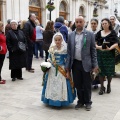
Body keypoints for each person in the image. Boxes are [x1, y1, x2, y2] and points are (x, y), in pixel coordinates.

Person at [65, 16, 98, 111]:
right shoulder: (71, 35)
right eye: (77, 22)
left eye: (80, 22)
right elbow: (69, 52)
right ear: (75, 23)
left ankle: (88, 102)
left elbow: (93, 50)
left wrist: (95, 64)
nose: (78, 23)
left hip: (86, 63)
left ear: (84, 22)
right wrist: (67, 66)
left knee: (87, 84)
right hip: (75, 64)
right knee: (78, 84)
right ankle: (80, 101)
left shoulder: (90, 34)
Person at [41, 32, 76, 107]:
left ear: (61, 40)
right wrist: (47, 65)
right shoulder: (52, 49)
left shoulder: (64, 49)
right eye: (56, 40)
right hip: (52, 70)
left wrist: (67, 71)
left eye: (59, 40)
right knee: (53, 84)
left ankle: (61, 100)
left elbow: (67, 61)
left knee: (61, 84)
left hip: (62, 69)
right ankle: (52, 100)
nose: (57, 41)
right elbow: (49, 59)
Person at [95, 18, 118, 95]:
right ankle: (102, 87)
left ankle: (108, 85)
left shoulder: (113, 32)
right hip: (100, 54)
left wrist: (110, 48)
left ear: (109, 24)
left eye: (105, 23)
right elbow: (94, 43)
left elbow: (116, 43)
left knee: (109, 71)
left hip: (109, 54)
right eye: (103, 23)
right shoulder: (99, 33)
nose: (104, 25)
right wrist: (99, 47)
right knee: (101, 71)